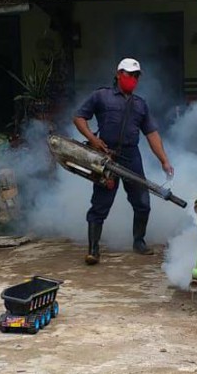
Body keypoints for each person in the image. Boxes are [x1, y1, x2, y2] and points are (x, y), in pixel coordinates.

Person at [73, 58, 174, 265]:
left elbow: (152, 134)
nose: (133, 79)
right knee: (100, 204)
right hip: (106, 155)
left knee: (143, 203)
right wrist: (93, 140)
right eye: (129, 74)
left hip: (131, 156)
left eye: (136, 76)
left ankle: (139, 241)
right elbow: (79, 117)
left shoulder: (140, 105)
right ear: (119, 73)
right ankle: (93, 250)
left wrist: (164, 160)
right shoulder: (101, 96)